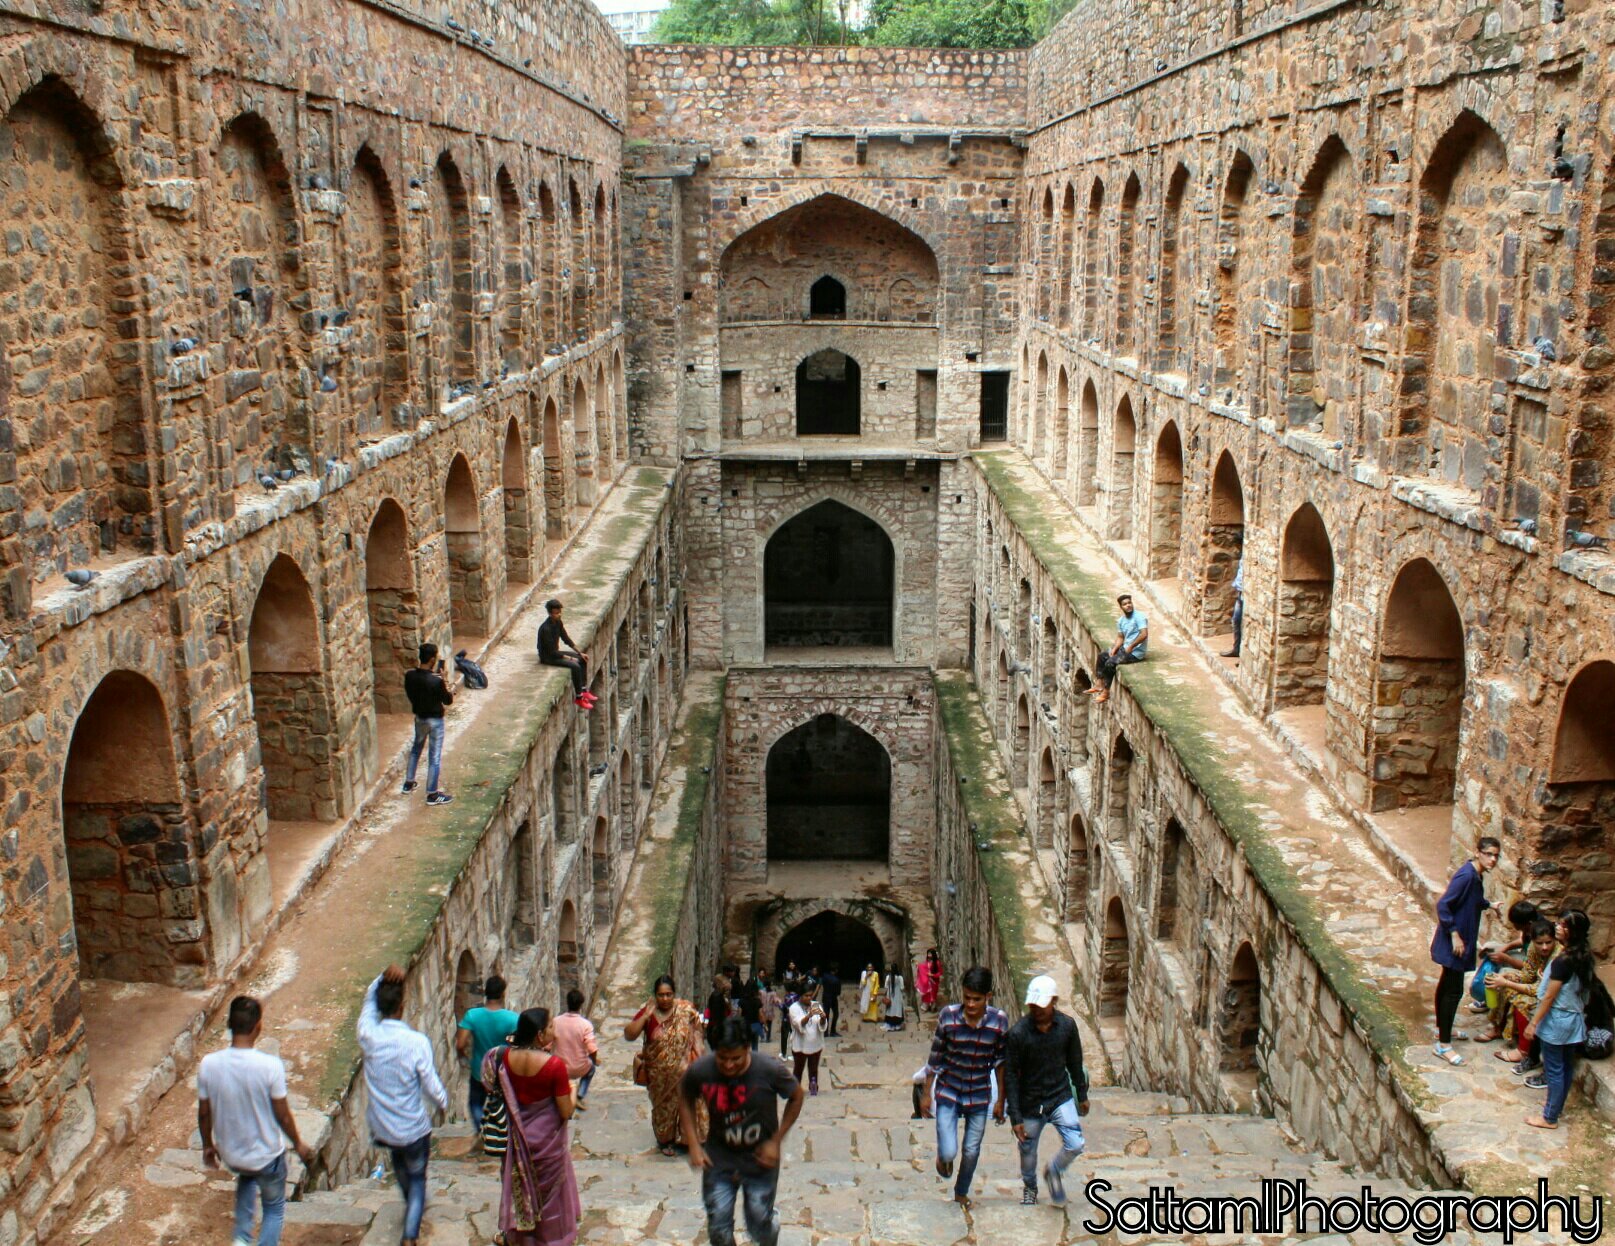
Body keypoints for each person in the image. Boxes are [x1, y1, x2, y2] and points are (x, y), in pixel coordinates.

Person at [197, 996, 316, 1246]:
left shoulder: (209, 1065)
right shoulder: (269, 1066)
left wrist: (208, 1145)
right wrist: (299, 1143)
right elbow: (282, 1115)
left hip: (233, 1155)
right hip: (266, 1157)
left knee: (247, 1178)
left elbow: (204, 1113)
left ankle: (241, 1238)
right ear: (258, 1026)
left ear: (229, 1024)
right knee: (274, 1209)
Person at [679, 1018, 806, 1246]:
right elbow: (685, 1097)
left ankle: (770, 1223)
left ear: (748, 1048)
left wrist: (776, 1141)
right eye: (722, 1058)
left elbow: (796, 1095)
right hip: (719, 1159)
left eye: (735, 1059)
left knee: (759, 1225)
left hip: (760, 1160)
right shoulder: (701, 1070)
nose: (728, 1065)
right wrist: (694, 1144)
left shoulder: (769, 1070)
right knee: (718, 1229)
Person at [358, 965, 449, 1246]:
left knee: (401, 1170)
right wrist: (442, 1103)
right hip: (413, 1126)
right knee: (418, 1176)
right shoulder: (415, 1042)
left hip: (384, 1127)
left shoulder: (368, 1036)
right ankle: (410, 1234)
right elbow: (430, 1083)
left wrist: (380, 977)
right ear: (403, 1005)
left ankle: (413, 1204)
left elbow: (366, 1005)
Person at [483, 1008, 582, 1244]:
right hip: (547, 1143)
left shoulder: (505, 1058)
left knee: (524, 1188)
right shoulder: (554, 1066)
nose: (554, 1030)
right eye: (550, 1027)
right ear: (539, 1035)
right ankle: (550, 1239)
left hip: (517, 1139)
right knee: (550, 1198)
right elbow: (566, 1111)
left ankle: (521, 1237)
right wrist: (574, 1091)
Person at [921, 966, 1009, 1210]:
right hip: (949, 1089)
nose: (970, 1004)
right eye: (967, 997)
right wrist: (927, 1093)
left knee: (971, 1150)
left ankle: (961, 1191)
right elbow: (936, 1056)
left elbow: (1002, 1063)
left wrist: (1002, 1099)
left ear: (988, 997)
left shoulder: (999, 1022)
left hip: (979, 1093)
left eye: (977, 999)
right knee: (950, 1150)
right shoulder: (948, 1016)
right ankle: (943, 1158)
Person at [1004, 976, 1088, 1207]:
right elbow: (1010, 1075)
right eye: (1033, 1005)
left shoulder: (1067, 1027)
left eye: (1042, 1005)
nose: (1037, 1010)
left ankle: (1054, 1170)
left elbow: (1075, 1062)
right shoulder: (1018, 1034)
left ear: (1053, 1001)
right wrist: (1015, 1116)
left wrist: (1082, 1095)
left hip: (1059, 1095)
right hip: (1030, 1101)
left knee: (1075, 1143)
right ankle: (1030, 1186)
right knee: (1027, 1151)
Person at [1429, 837, 1500, 1065]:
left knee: (1447, 986)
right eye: (1489, 854)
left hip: (1460, 942)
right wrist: (1454, 934)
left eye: (1496, 856)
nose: (1493, 859)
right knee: (1453, 991)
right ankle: (1443, 1045)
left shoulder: (1476, 876)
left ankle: (1444, 1031)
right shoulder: (1467, 876)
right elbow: (1444, 904)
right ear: (1477, 852)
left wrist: (1489, 905)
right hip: (1455, 945)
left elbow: (1473, 900)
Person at [1524, 911, 1595, 1130]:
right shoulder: (1583, 956)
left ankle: (1550, 1117)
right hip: (1573, 1021)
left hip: (1558, 1021)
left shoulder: (1562, 962)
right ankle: (1555, 1107)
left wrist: (1533, 1023)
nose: (1557, 927)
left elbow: (1549, 996)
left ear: (1571, 932)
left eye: (1563, 926)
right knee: (1565, 1067)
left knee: (1554, 1069)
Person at [625, 975, 707, 1157]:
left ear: (674, 994)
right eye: (661, 995)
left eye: (668, 994)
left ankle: (689, 1138)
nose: (665, 999)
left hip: (686, 1070)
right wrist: (645, 1016)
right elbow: (629, 1035)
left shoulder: (685, 1010)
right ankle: (665, 1140)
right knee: (664, 1108)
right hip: (659, 1075)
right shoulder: (649, 1013)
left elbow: (697, 1032)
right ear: (655, 995)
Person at [456, 975, 520, 1134]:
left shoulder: (472, 1015)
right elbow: (517, 1045)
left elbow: (461, 1043)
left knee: (476, 1103)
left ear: (486, 993)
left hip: (479, 1069)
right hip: (502, 1069)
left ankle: (481, 1130)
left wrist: (463, 1056)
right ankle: (502, 1133)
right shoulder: (512, 1019)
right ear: (503, 994)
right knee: (503, 1102)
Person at [1487, 919, 1556, 1063]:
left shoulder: (1557, 958)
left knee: (1521, 1001)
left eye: (1548, 942)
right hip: (1539, 986)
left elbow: (1538, 990)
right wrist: (1506, 977)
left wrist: (1507, 981)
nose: (1544, 947)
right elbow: (1527, 975)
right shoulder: (1532, 949)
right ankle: (1498, 1027)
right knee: (1501, 978)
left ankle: (1523, 1050)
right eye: (1539, 943)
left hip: (1552, 996)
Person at [402, 642, 455, 806]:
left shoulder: (409, 676)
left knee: (416, 749)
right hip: (435, 721)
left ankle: (408, 783)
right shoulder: (435, 681)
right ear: (432, 659)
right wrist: (444, 682)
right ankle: (432, 794)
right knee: (434, 756)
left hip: (420, 718)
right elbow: (448, 700)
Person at [1089, 594, 1147, 706]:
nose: (1128, 605)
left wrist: (1131, 646)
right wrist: (1115, 648)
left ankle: (1106, 692)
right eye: (1125, 604)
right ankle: (1099, 683)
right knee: (1103, 656)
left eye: (1129, 603)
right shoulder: (1121, 620)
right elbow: (1121, 637)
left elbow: (1144, 634)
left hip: (1135, 653)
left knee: (1111, 663)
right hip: (1125, 648)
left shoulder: (1139, 617)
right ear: (1121, 607)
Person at [537, 598, 594, 710]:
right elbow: (552, 652)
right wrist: (569, 658)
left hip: (556, 652)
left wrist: (580, 653)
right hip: (548, 657)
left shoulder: (558, 622)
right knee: (575, 665)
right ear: (550, 613)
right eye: (556, 613)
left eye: (559, 612)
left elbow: (566, 638)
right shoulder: (545, 629)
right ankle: (579, 697)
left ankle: (583, 689)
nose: (559, 615)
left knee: (582, 659)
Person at [551, 989, 600, 1112]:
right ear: (581, 1005)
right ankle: (580, 1095)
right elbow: (592, 1048)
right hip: (579, 1067)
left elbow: (547, 1045)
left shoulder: (556, 1022)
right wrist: (594, 1060)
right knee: (591, 1069)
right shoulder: (585, 1025)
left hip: (559, 1066)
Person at [787, 979, 827, 1095]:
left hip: (815, 1043)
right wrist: (809, 1015)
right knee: (798, 1068)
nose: (809, 998)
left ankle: (813, 1085)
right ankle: (795, 1089)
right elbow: (797, 1023)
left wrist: (823, 1018)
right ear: (800, 996)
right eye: (806, 996)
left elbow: (821, 1024)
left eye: (810, 995)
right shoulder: (794, 1008)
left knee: (813, 1068)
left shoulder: (816, 1005)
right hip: (800, 1044)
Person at [1220, 556, 1243, 659]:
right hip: (1241, 591)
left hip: (1245, 592)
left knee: (1240, 621)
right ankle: (1237, 649)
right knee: (1236, 620)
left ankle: (1240, 652)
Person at [738, 980, 765, 1051]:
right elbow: (761, 1015)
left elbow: (739, 1014)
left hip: (745, 1025)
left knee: (745, 1046)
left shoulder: (741, 1001)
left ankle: (746, 1060)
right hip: (755, 1025)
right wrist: (763, 1024)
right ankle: (754, 1060)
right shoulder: (757, 1001)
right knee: (755, 1045)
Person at [882, 967, 907, 1032]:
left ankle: (890, 1026)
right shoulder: (900, 978)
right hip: (898, 997)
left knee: (890, 1011)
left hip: (890, 996)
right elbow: (902, 988)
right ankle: (897, 1026)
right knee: (897, 1011)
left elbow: (886, 986)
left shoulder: (888, 977)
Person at [821, 965, 842, 1038]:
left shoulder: (824, 976)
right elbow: (838, 992)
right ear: (836, 970)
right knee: (835, 1014)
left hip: (826, 997)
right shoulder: (836, 980)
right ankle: (833, 1031)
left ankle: (825, 1032)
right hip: (833, 998)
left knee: (826, 1015)